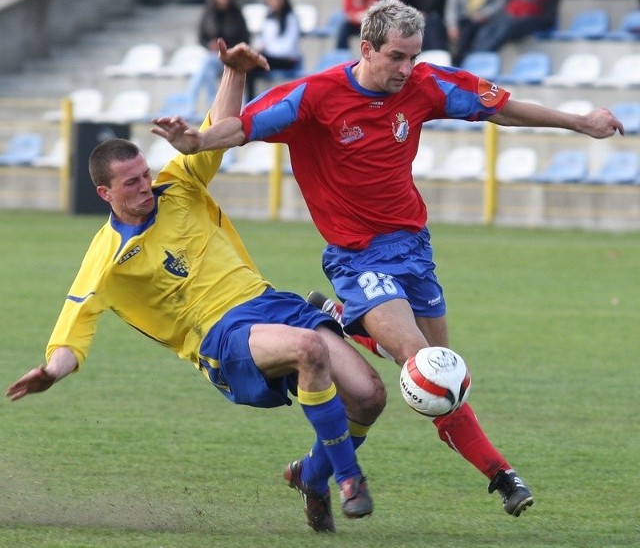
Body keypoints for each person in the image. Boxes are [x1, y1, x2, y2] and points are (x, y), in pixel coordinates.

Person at [150, 0, 624, 519]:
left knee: (448, 379)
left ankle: (312, 467)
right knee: (425, 366)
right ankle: (501, 475)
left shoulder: (425, 84)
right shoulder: (315, 96)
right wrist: (194, 140)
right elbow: (238, 128)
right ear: (366, 48)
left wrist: (579, 122)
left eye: (413, 57)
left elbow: (500, 108)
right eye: (396, 56)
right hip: (357, 259)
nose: (405, 69)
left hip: (414, 250)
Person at [5, 40, 386, 534]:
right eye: (131, 184)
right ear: (105, 194)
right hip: (220, 338)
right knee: (308, 349)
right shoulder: (106, 258)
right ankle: (349, 479)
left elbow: (215, 134)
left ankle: (311, 476)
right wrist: (52, 371)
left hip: (269, 302)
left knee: (369, 397)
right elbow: (73, 328)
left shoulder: (177, 186)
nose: (145, 186)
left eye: (144, 174)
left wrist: (235, 72)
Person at [186, 0, 250, 117]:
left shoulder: (237, 14)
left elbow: (244, 39)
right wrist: (209, 44)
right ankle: (208, 104)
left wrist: (229, 50)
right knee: (205, 67)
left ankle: (198, 103)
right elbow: (202, 37)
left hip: (232, 57)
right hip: (214, 57)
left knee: (205, 65)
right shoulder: (208, 13)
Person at [245, 0, 302, 101]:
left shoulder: (291, 18)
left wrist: (266, 48)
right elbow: (263, 39)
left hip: (286, 60)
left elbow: (288, 48)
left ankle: (249, 102)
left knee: (251, 64)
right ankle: (248, 102)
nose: (271, 1)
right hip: (270, 58)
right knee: (245, 64)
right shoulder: (269, 18)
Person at [445, 0, 504, 66]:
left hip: (487, 18)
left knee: (471, 34)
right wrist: (452, 25)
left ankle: (457, 65)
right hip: (464, 18)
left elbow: (500, 0)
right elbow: (453, 2)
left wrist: (485, 13)